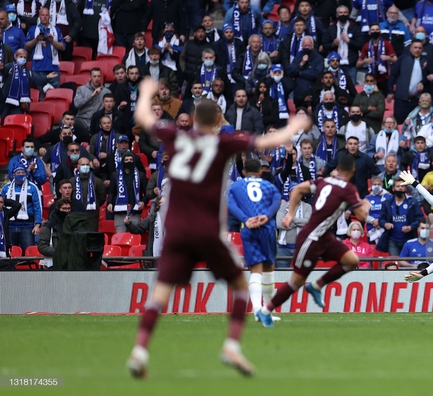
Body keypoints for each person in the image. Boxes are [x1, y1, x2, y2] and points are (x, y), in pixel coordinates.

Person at [127, 77, 311, 377]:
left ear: (194, 120)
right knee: (240, 287)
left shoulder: (175, 136)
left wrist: (147, 92)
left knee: (160, 293)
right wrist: (295, 125)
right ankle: (232, 346)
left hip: (177, 229)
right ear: (218, 122)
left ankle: (139, 350)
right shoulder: (223, 141)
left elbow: (145, 118)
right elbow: (267, 142)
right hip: (207, 231)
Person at [256, 154, 372, 326]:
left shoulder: (322, 181)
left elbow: (296, 190)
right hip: (311, 238)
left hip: (325, 236)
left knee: (352, 260)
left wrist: (290, 214)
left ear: (337, 169)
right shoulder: (348, 188)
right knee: (297, 281)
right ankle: (265, 311)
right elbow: (362, 215)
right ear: (353, 170)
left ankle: (316, 286)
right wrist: (366, 205)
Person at [227, 158, 281, 316]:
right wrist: (267, 215)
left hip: (249, 228)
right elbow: (277, 200)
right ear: (260, 172)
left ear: (243, 172)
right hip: (267, 227)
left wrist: (246, 219)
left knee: (255, 270)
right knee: (269, 268)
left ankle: (257, 309)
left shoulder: (235, 186)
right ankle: (268, 311)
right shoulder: (268, 185)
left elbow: (231, 205)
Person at [1, 165, 42, 253]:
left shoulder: (32, 187)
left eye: (23, 172)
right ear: (13, 175)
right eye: (18, 173)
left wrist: (37, 224)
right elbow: (1, 206)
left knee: (28, 252)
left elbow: (37, 207)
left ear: (26, 174)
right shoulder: (6, 188)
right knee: (11, 253)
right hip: (9, 226)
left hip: (27, 226)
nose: (21, 174)